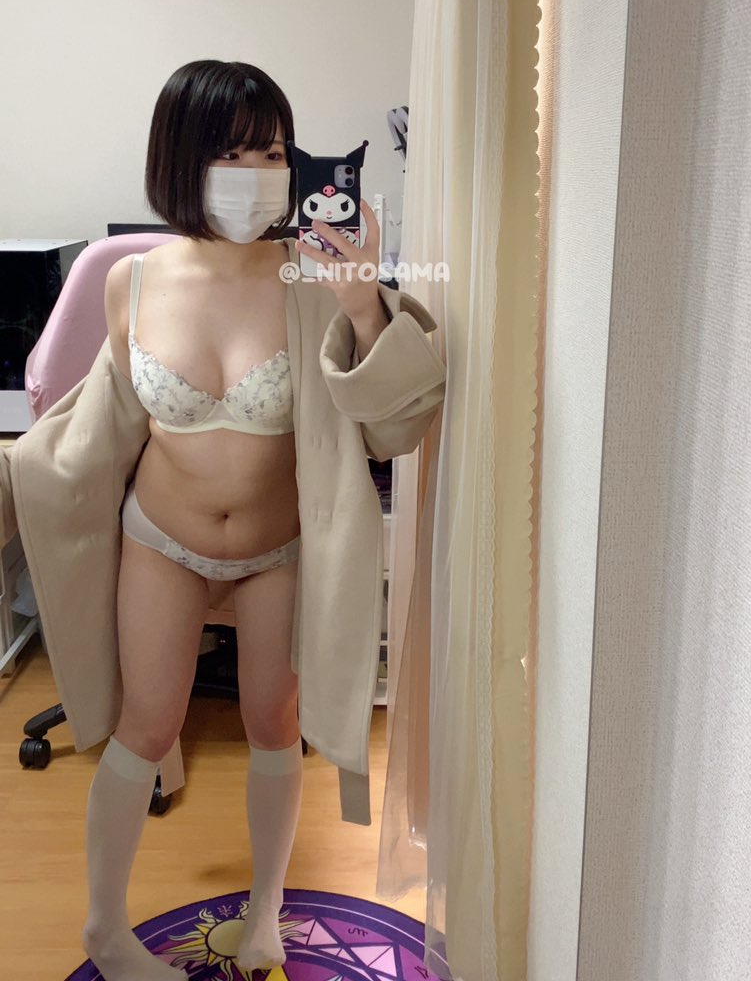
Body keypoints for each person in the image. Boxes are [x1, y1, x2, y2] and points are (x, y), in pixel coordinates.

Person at [2, 59, 445, 980]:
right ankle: (103, 928)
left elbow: (395, 425)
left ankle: (268, 911)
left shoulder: (313, 281)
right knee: (146, 727)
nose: (254, 172)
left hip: (277, 549)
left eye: (272, 152)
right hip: (160, 542)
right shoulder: (131, 283)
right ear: (181, 160)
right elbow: (104, 427)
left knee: (273, 725)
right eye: (231, 152)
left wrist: (364, 304)